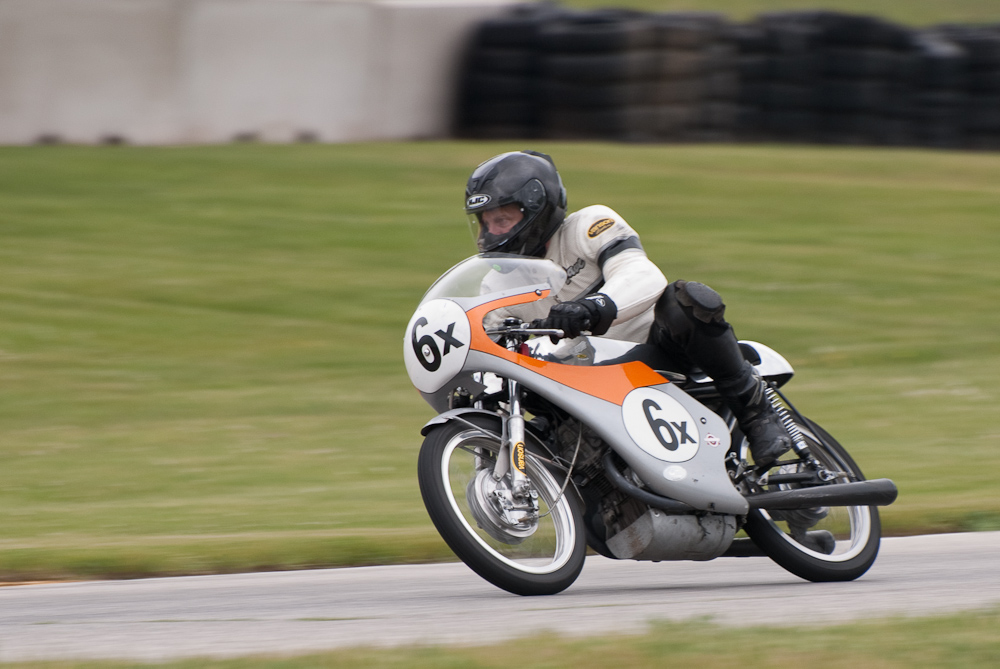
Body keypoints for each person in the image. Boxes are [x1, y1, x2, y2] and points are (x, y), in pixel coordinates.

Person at [464, 149, 792, 468]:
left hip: (656, 350)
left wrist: (592, 308)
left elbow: (643, 274)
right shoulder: (495, 287)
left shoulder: (589, 225)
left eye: (502, 220)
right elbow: (486, 346)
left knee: (684, 300)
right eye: (485, 223)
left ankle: (756, 412)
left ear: (535, 208)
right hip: (583, 381)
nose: (490, 234)